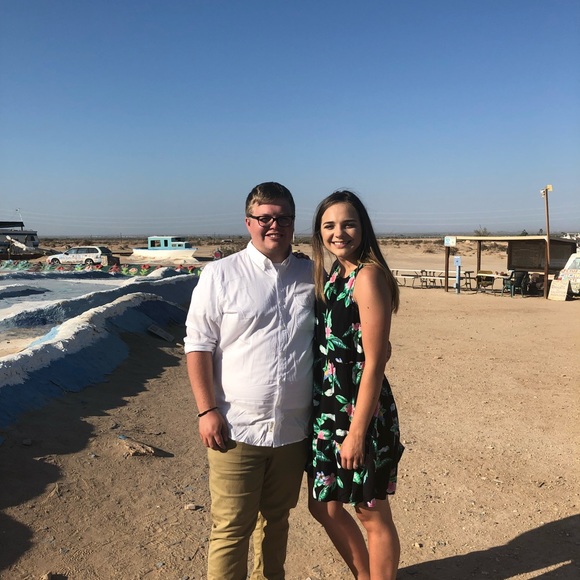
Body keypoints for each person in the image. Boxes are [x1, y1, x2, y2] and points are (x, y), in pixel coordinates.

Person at [184, 182, 314, 580]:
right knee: (231, 528)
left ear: (294, 222)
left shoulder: (313, 274)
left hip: (293, 430)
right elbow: (198, 345)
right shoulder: (220, 274)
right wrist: (206, 410)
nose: (275, 225)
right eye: (265, 218)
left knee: (277, 521)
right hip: (236, 427)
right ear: (248, 222)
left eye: (284, 218)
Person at [306, 190, 404, 579]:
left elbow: (375, 361)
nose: (339, 232)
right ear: (319, 232)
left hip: (360, 410)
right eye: (329, 225)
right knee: (323, 505)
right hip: (328, 407)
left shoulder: (368, 276)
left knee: (370, 511)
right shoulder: (333, 274)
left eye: (348, 224)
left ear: (363, 228)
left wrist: (357, 433)